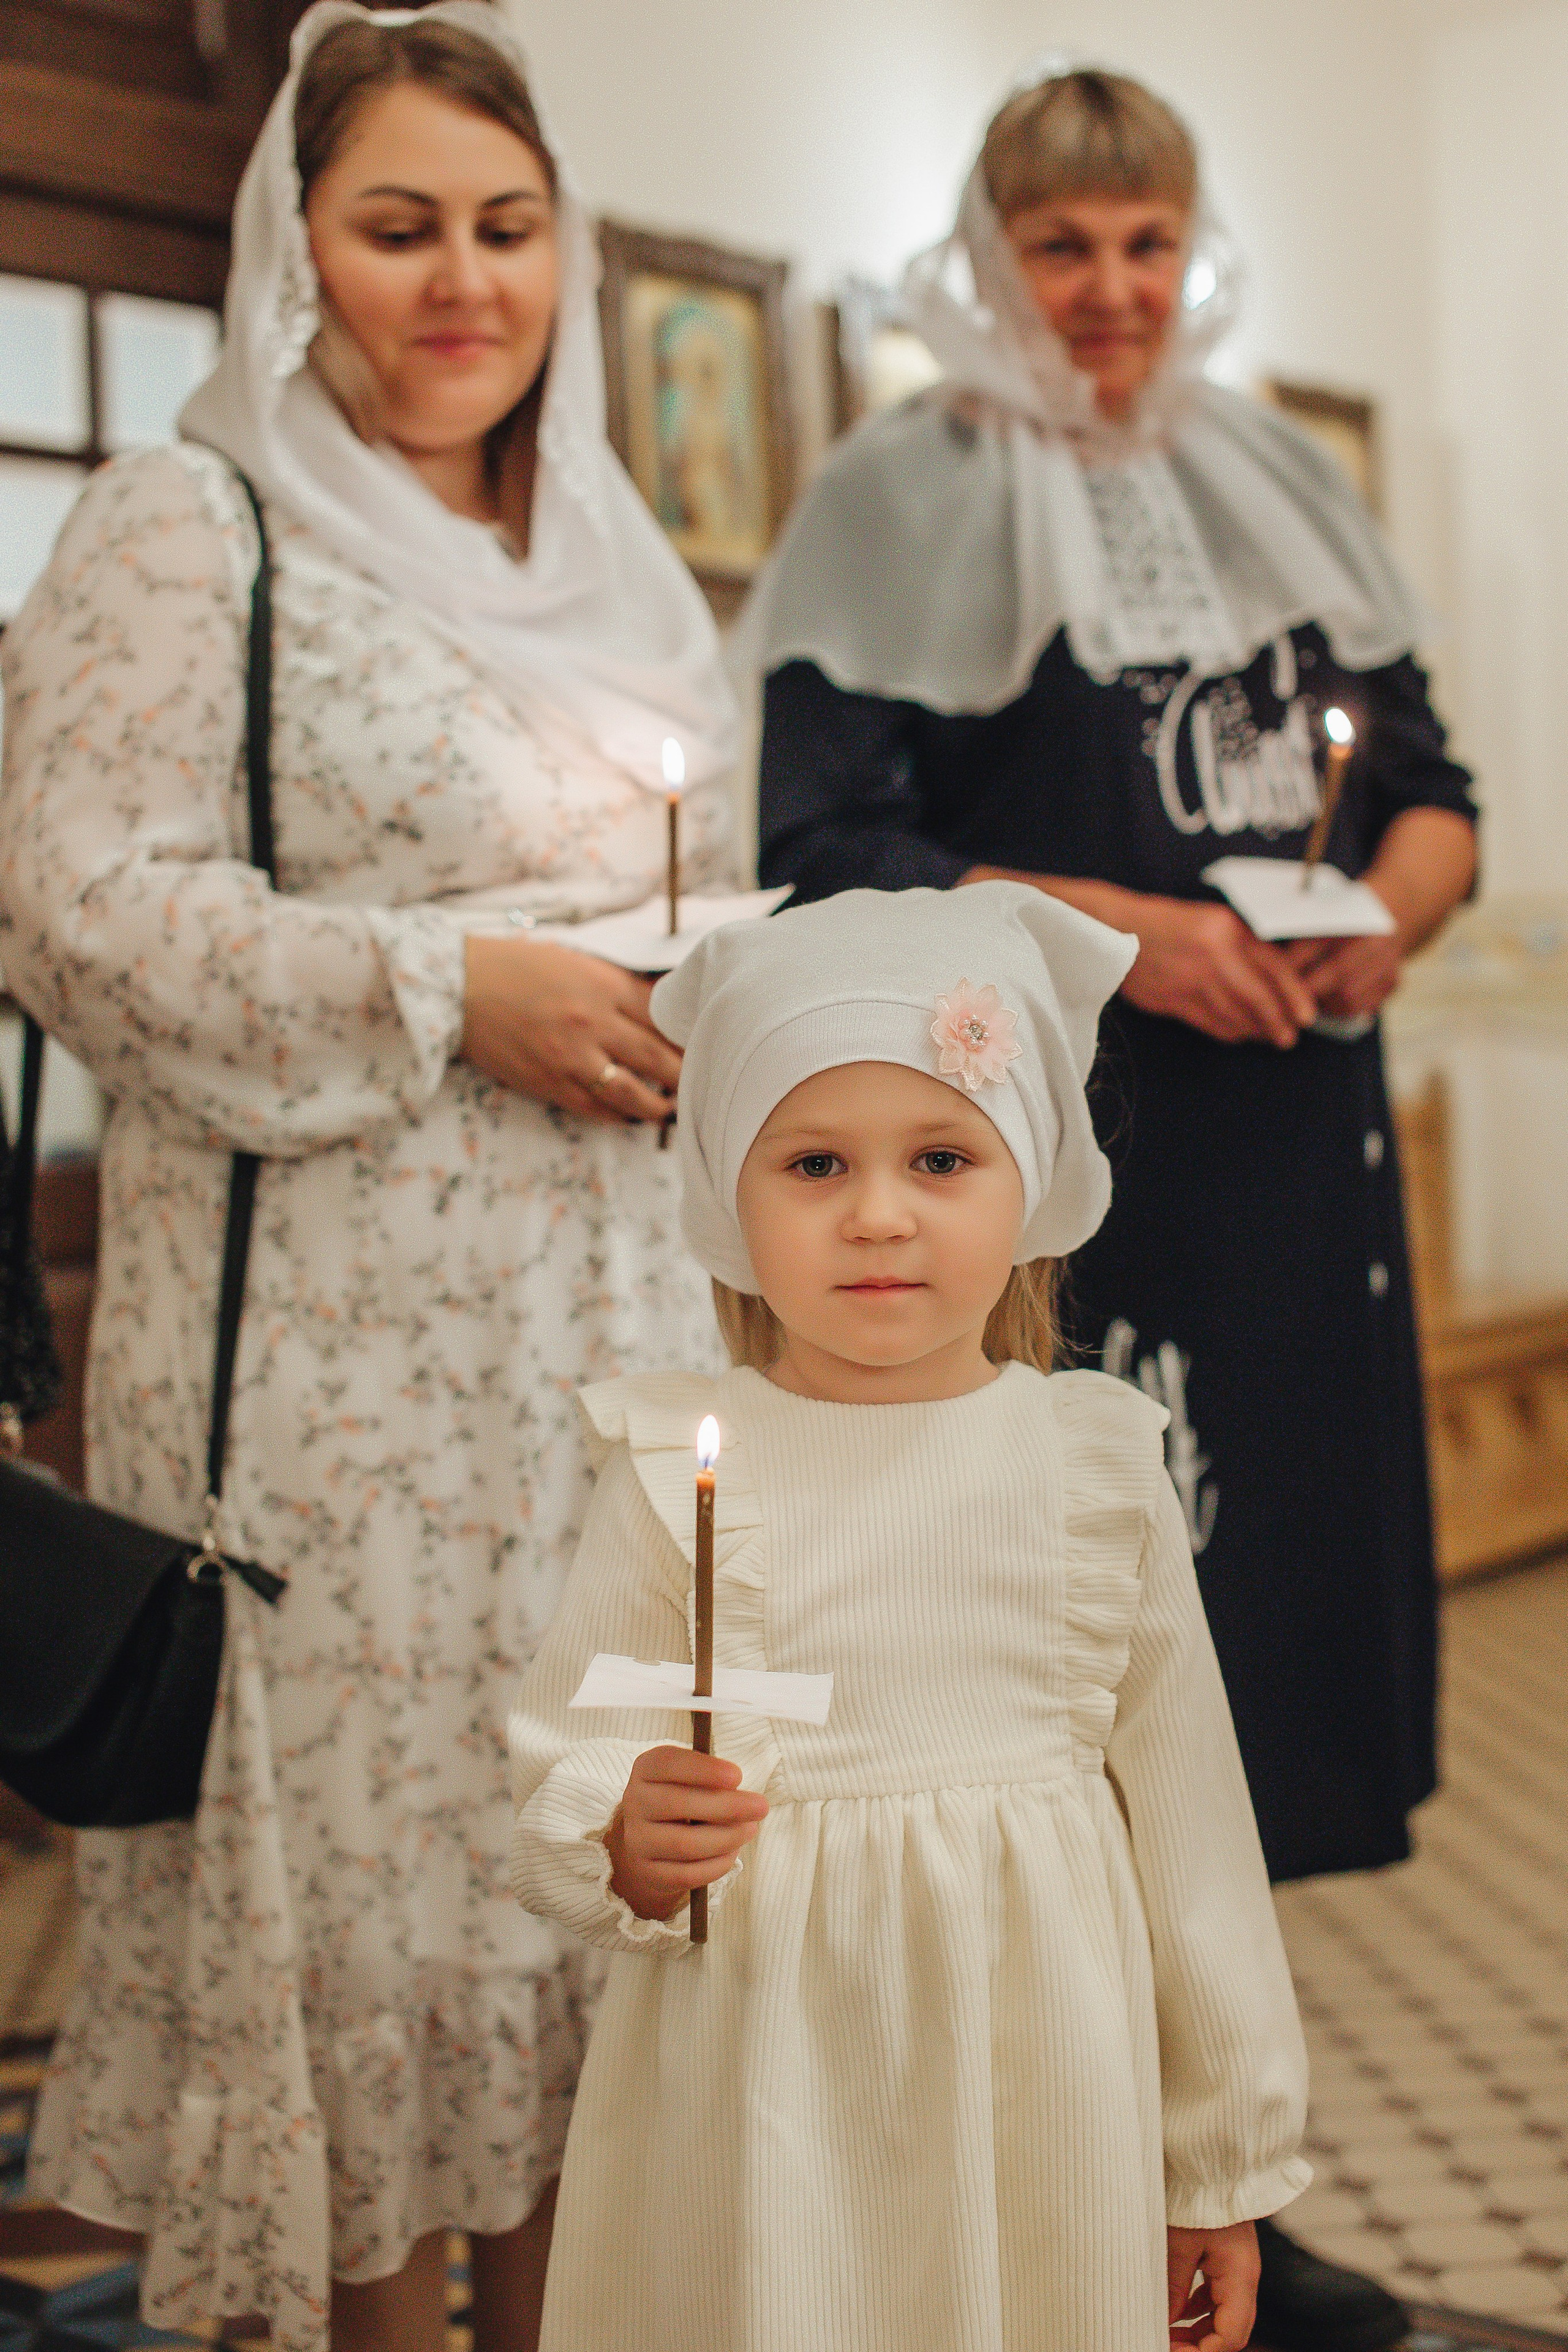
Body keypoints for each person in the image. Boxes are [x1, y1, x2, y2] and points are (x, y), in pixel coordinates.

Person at [0, 7, 738, 2350]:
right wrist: (455, 988)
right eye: (396, 224)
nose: (460, 281)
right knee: (382, 1962)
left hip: (600, 1371)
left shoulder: (616, 550)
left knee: (577, 1939)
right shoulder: (183, 519)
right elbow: (70, 909)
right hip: (327, 1414)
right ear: (292, 250)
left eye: (506, 228)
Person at [750, 69, 1478, 2352]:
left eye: (1148, 244)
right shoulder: (901, 491)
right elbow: (830, 836)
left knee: (1253, 1710)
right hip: (1068, 1184)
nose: (1110, 296)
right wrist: (1115, 928)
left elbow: (1434, 786)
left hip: (1302, 1160)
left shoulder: (1266, 475)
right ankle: (1059, 2204)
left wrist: (1395, 918)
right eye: (1064, 250)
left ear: (1195, 250)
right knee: (1084, 1701)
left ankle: (1220, 2199)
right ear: (990, 256)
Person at [510, 881, 1312, 2352]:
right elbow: (566, 1747)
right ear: (729, 1202)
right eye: (813, 1162)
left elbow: (1195, 1840)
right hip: (758, 2073)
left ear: (1035, 1182)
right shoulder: (677, 1463)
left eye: (940, 1156)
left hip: (1035, 2074)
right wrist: (617, 1830)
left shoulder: (1091, 1466)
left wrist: (1218, 2161)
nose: (877, 1214)